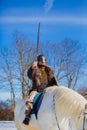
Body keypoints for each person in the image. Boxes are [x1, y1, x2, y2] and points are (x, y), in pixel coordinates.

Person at [23, 54, 59, 124]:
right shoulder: (35, 69)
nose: (43, 62)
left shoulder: (49, 70)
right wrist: (33, 67)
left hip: (48, 89)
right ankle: (27, 116)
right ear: (38, 61)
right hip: (36, 89)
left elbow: (52, 80)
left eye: (44, 60)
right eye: (41, 60)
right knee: (30, 99)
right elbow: (30, 75)